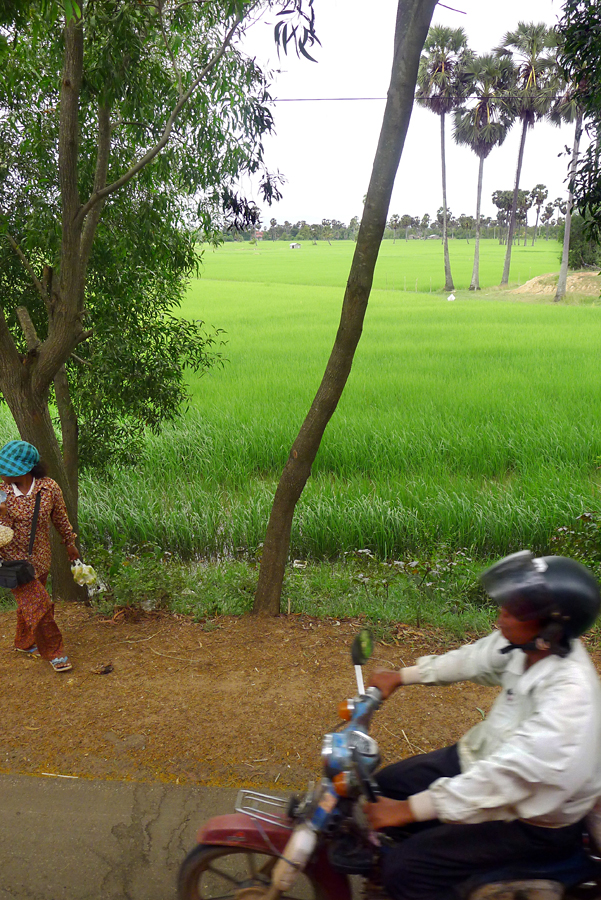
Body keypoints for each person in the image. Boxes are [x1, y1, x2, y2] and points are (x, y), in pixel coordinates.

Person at [365, 551, 601, 900]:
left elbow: (508, 777)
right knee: (384, 786)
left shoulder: (571, 699)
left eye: (515, 610)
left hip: (531, 820)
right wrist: (402, 676)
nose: (501, 617)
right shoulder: (527, 647)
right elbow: (473, 658)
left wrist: (407, 811)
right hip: (479, 758)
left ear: (551, 629)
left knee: (406, 871)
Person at [0, 440, 79, 673]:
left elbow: (60, 518)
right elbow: (1, 534)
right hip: (13, 563)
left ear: (24, 469)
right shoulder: (1, 493)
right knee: (40, 605)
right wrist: (2, 516)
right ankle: (55, 652)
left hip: (41, 558)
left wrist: (69, 543)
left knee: (31, 606)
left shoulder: (49, 488)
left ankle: (23, 643)